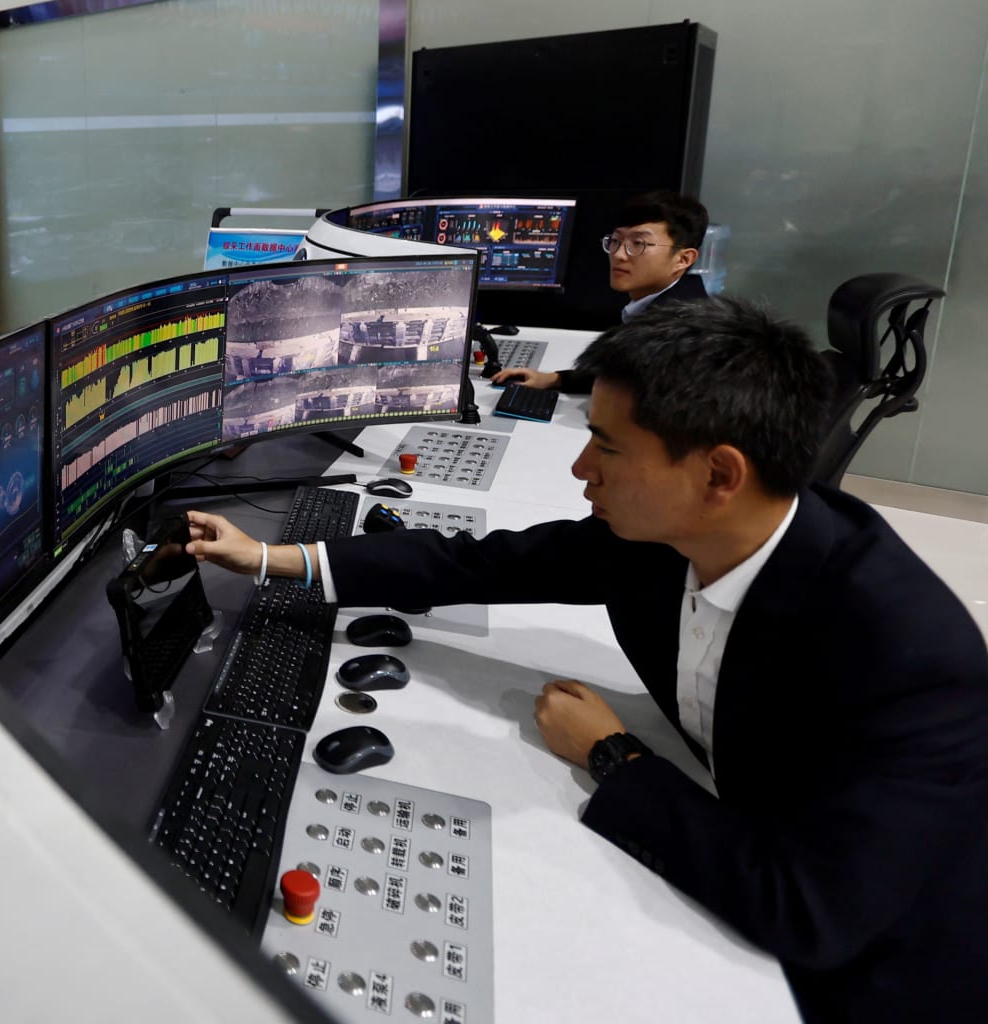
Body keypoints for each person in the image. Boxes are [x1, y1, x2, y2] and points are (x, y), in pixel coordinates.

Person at [185, 298, 988, 1024]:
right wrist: (275, 559)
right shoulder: (664, 538)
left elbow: (809, 910)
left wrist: (614, 754)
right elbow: (481, 565)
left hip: (862, 977)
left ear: (718, 474)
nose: (580, 469)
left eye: (606, 446)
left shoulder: (907, 655)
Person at [494, 189, 709, 392]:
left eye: (638, 244)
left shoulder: (681, 333)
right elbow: (625, 374)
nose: (619, 255)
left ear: (683, 259)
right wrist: (556, 379)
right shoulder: (672, 305)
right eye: (616, 241)